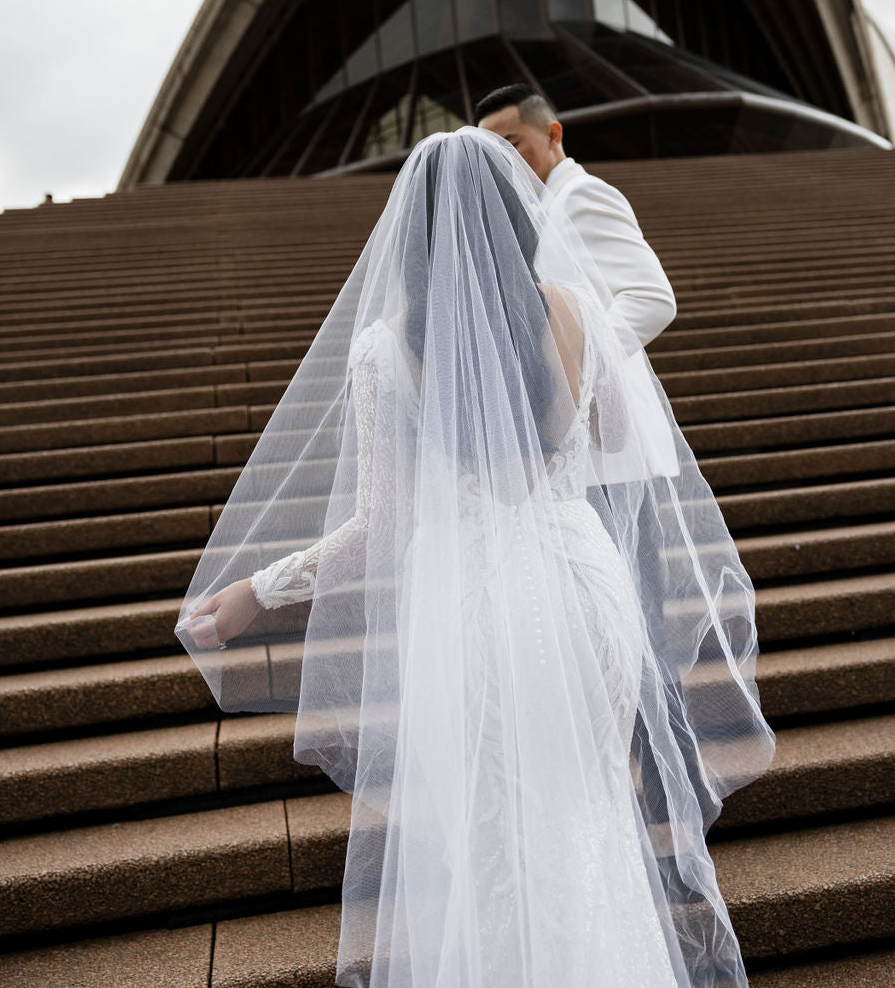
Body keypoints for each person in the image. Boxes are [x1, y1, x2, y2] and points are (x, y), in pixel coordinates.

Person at [176, 129, 773, 988]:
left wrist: (256, 591)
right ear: (522, 217)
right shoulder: (575, 311)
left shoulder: (388, 350)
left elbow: (379, 528)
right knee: (593, 814)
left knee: (496, 841)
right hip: (583, 583)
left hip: (476, 607)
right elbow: (609, 436)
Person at [475, 83, 676, 352]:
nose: (501, 161)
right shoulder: (539, 208)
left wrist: (580, 362)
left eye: (511, 145)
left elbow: (652, 298)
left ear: (553, 134)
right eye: (491, 154)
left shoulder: (582, 194)